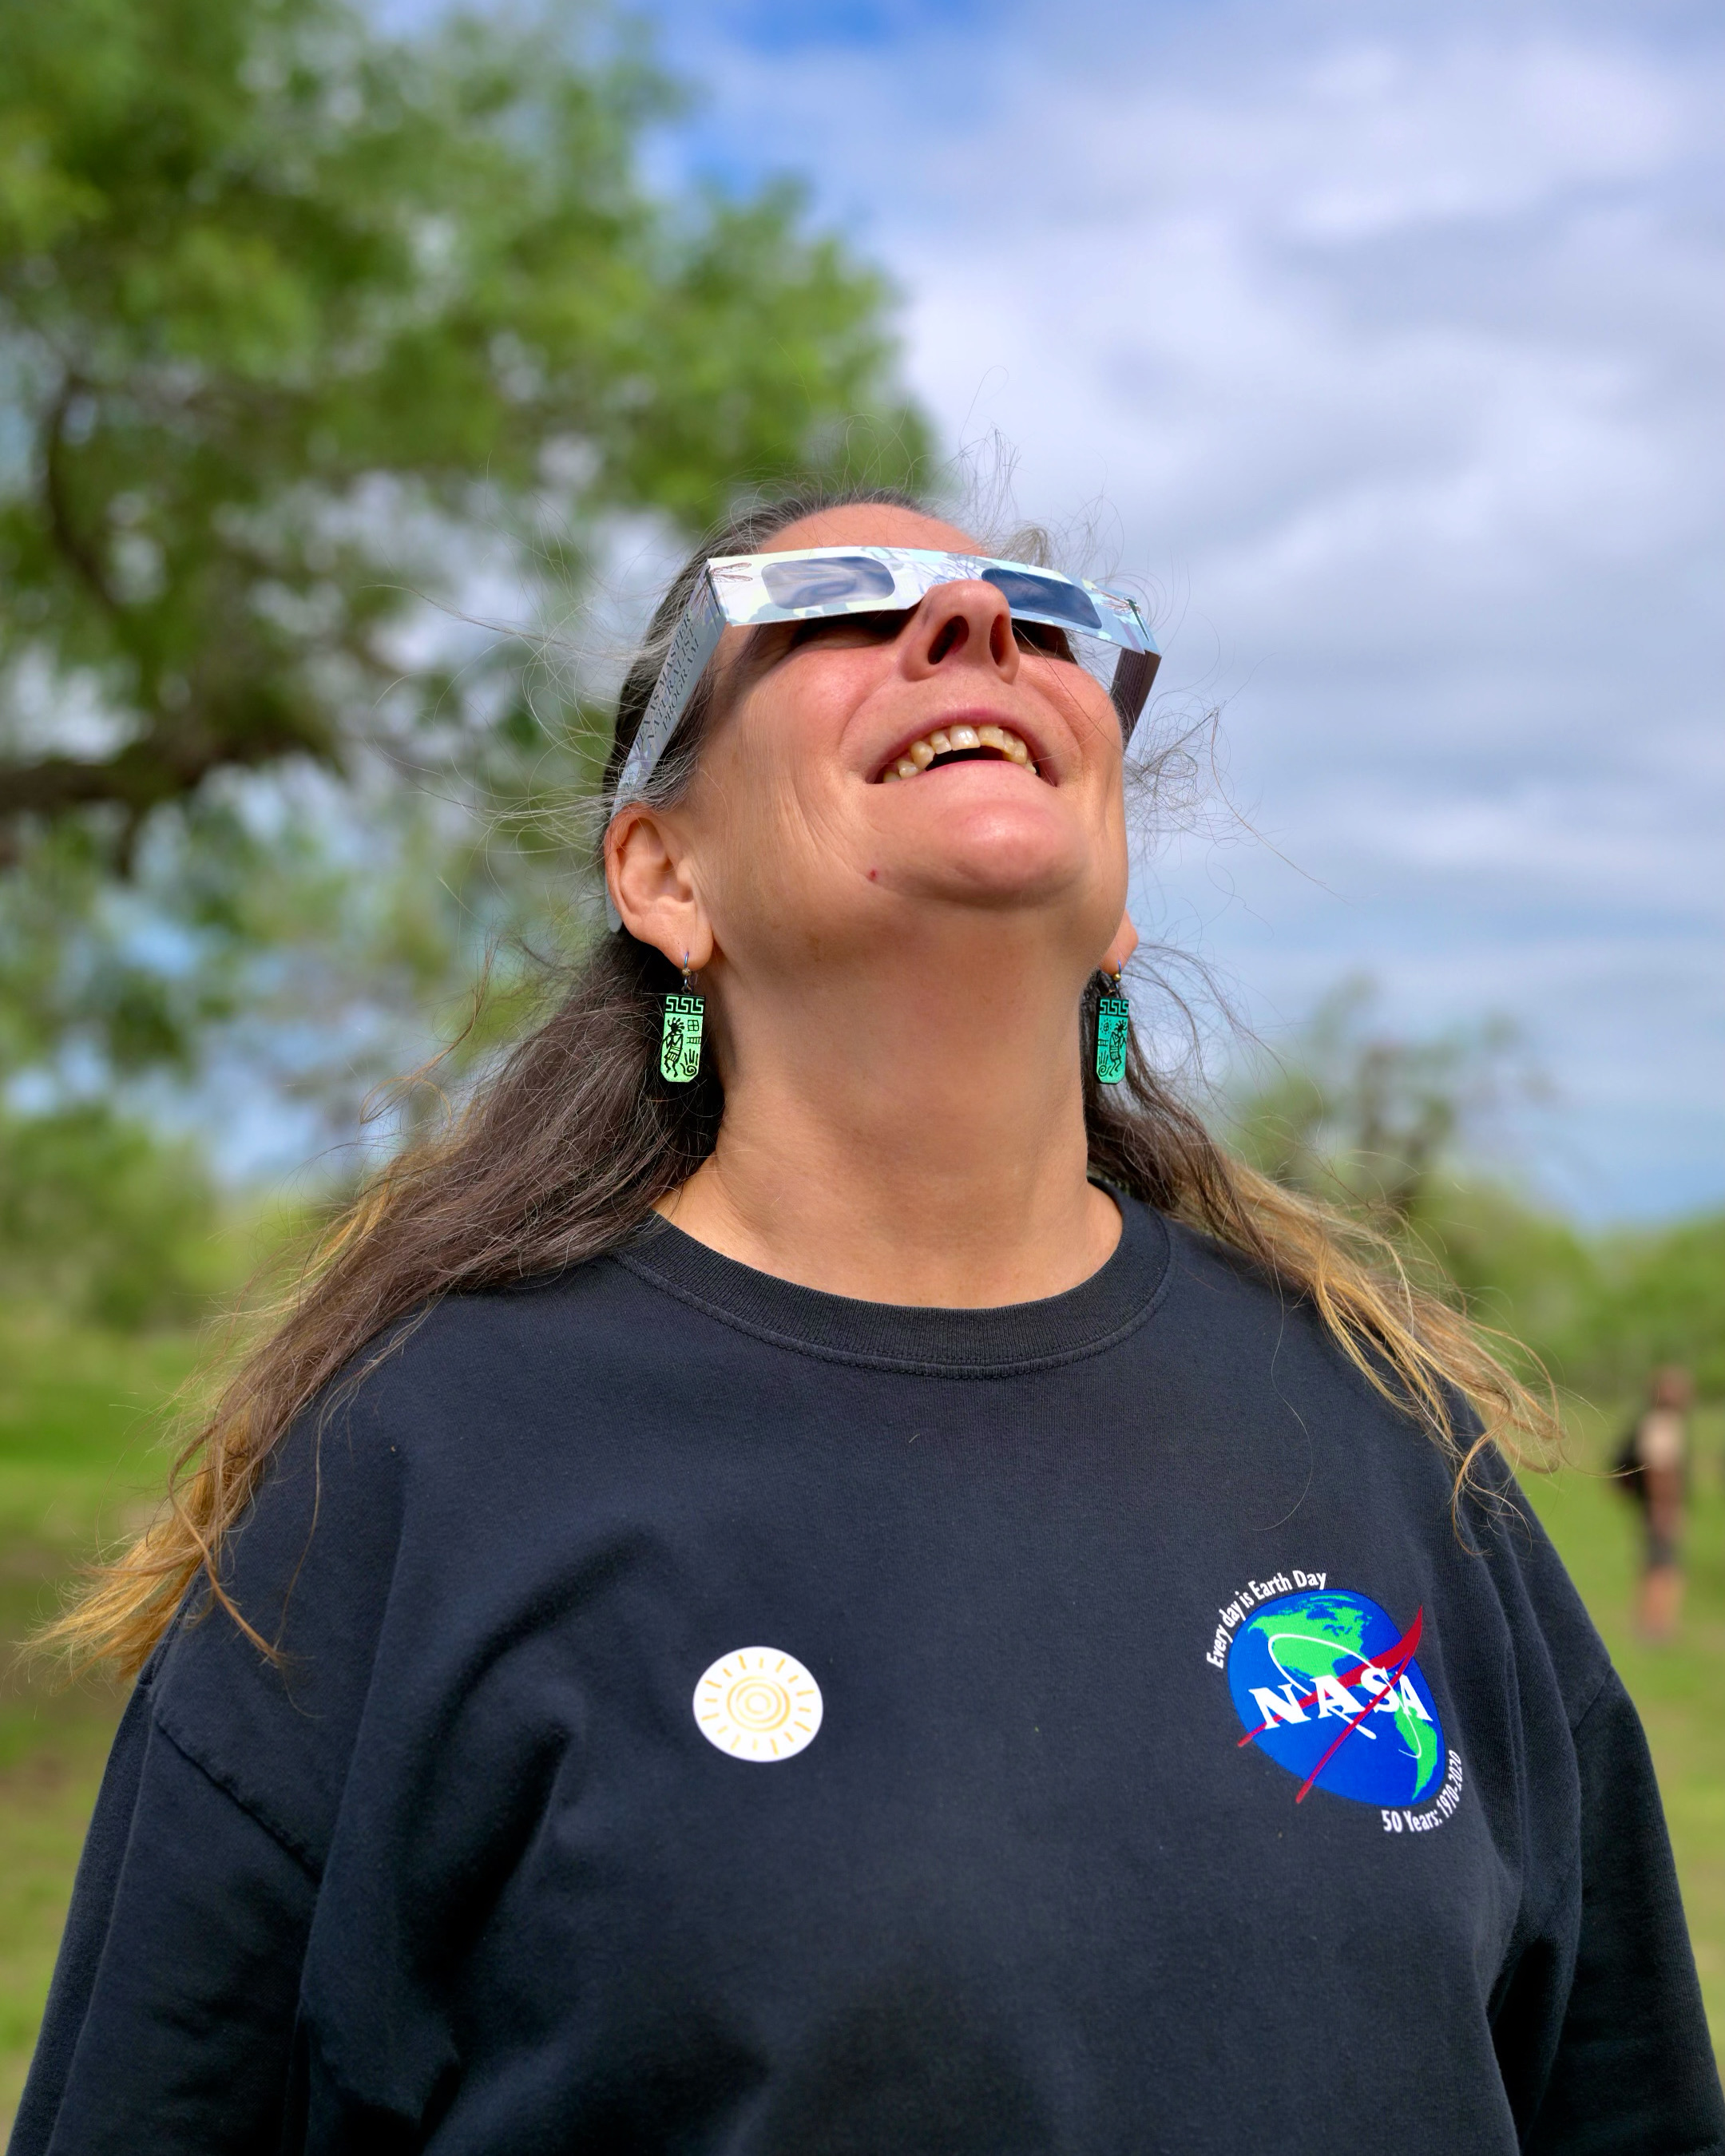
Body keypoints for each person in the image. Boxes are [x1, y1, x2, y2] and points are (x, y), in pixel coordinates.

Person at [13, 488, 1723, 2155]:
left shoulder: (1382, 1437)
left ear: (1119, 899)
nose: (977, 623)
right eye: (830, 606)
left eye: (1047, 627)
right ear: (663, 873)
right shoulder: (411, 1470)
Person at [1624, 1365, 1695, 1639]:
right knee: (1663, 1566)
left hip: (1653, 1506)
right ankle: (1656, 1626)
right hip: (1660, 1507)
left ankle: (1652, 1622)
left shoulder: (1655, 1421)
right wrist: (1665, 1509)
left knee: (1657, 1562)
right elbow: (1660, 1471)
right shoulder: (1664, 1423)